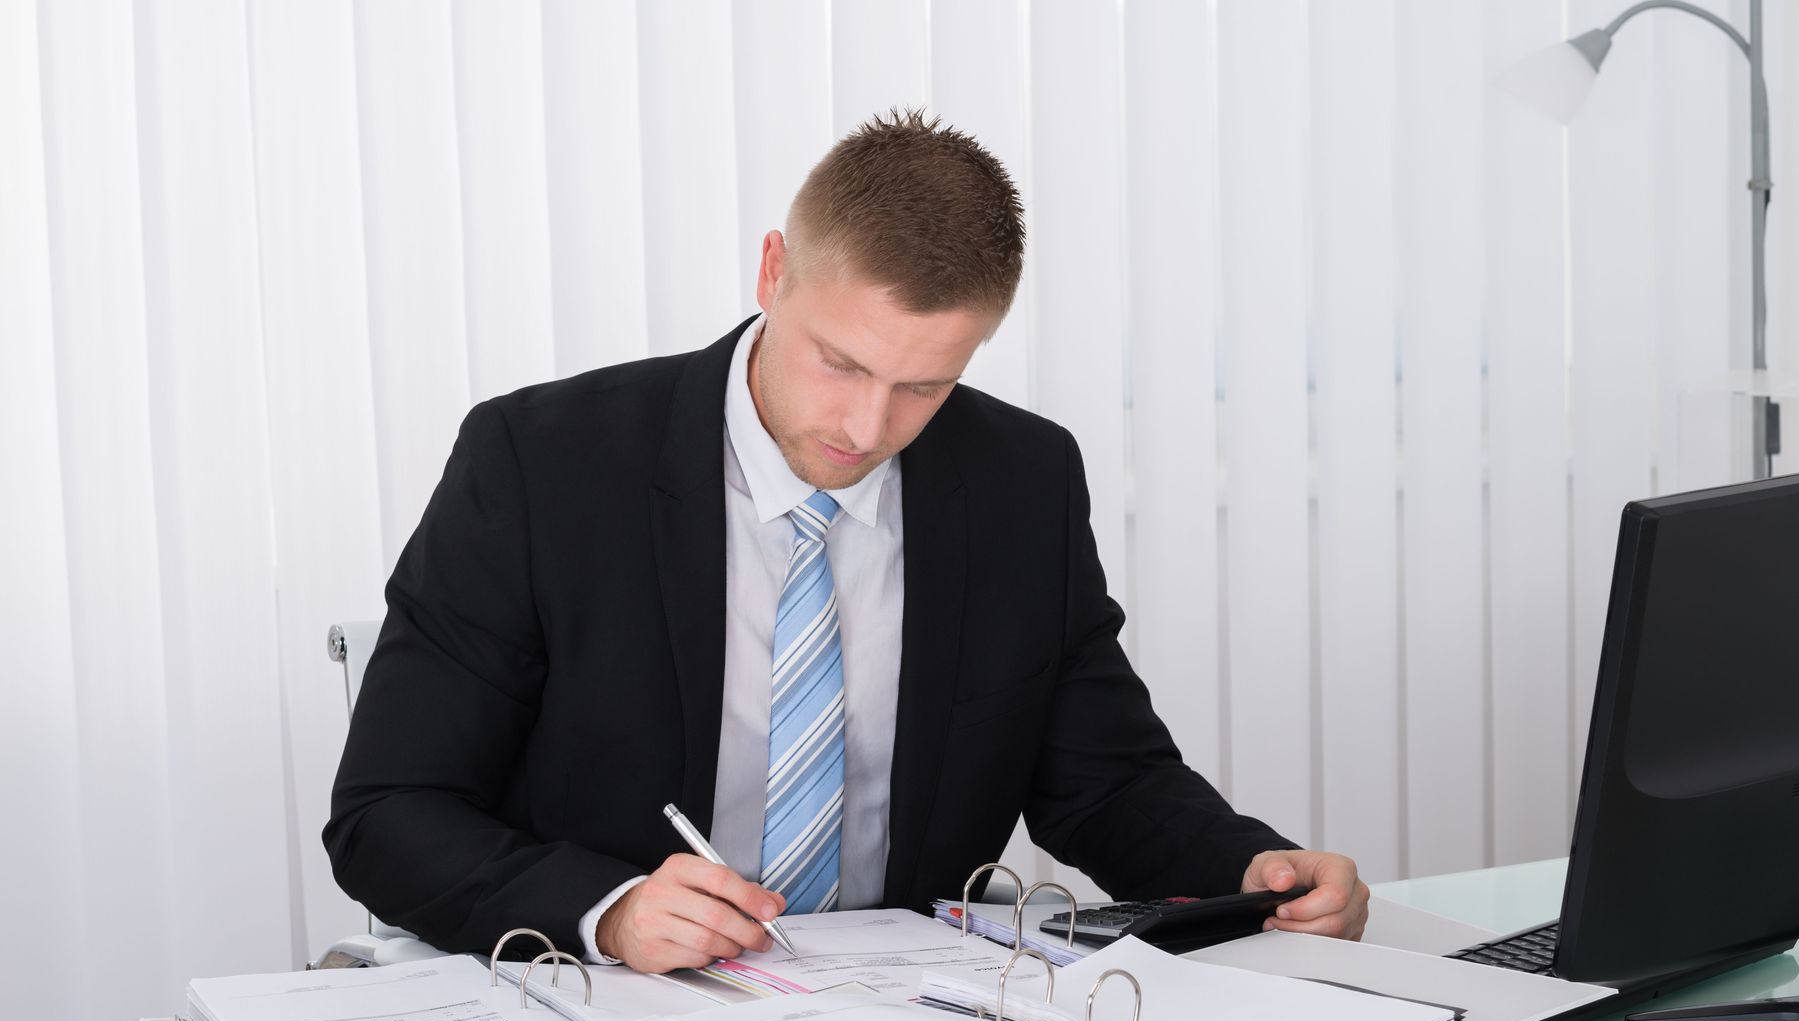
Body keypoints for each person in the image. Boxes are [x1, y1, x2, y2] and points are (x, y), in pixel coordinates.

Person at [325, 109, 1368, 973]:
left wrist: (1253, 868)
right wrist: (609, 908)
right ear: (774, 271)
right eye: (839, 363)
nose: (867, 429)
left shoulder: (1020, 481)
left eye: (925, 385)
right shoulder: (541, 462)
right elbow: (388, 810)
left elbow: (1105, 783)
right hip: (607, 1009)